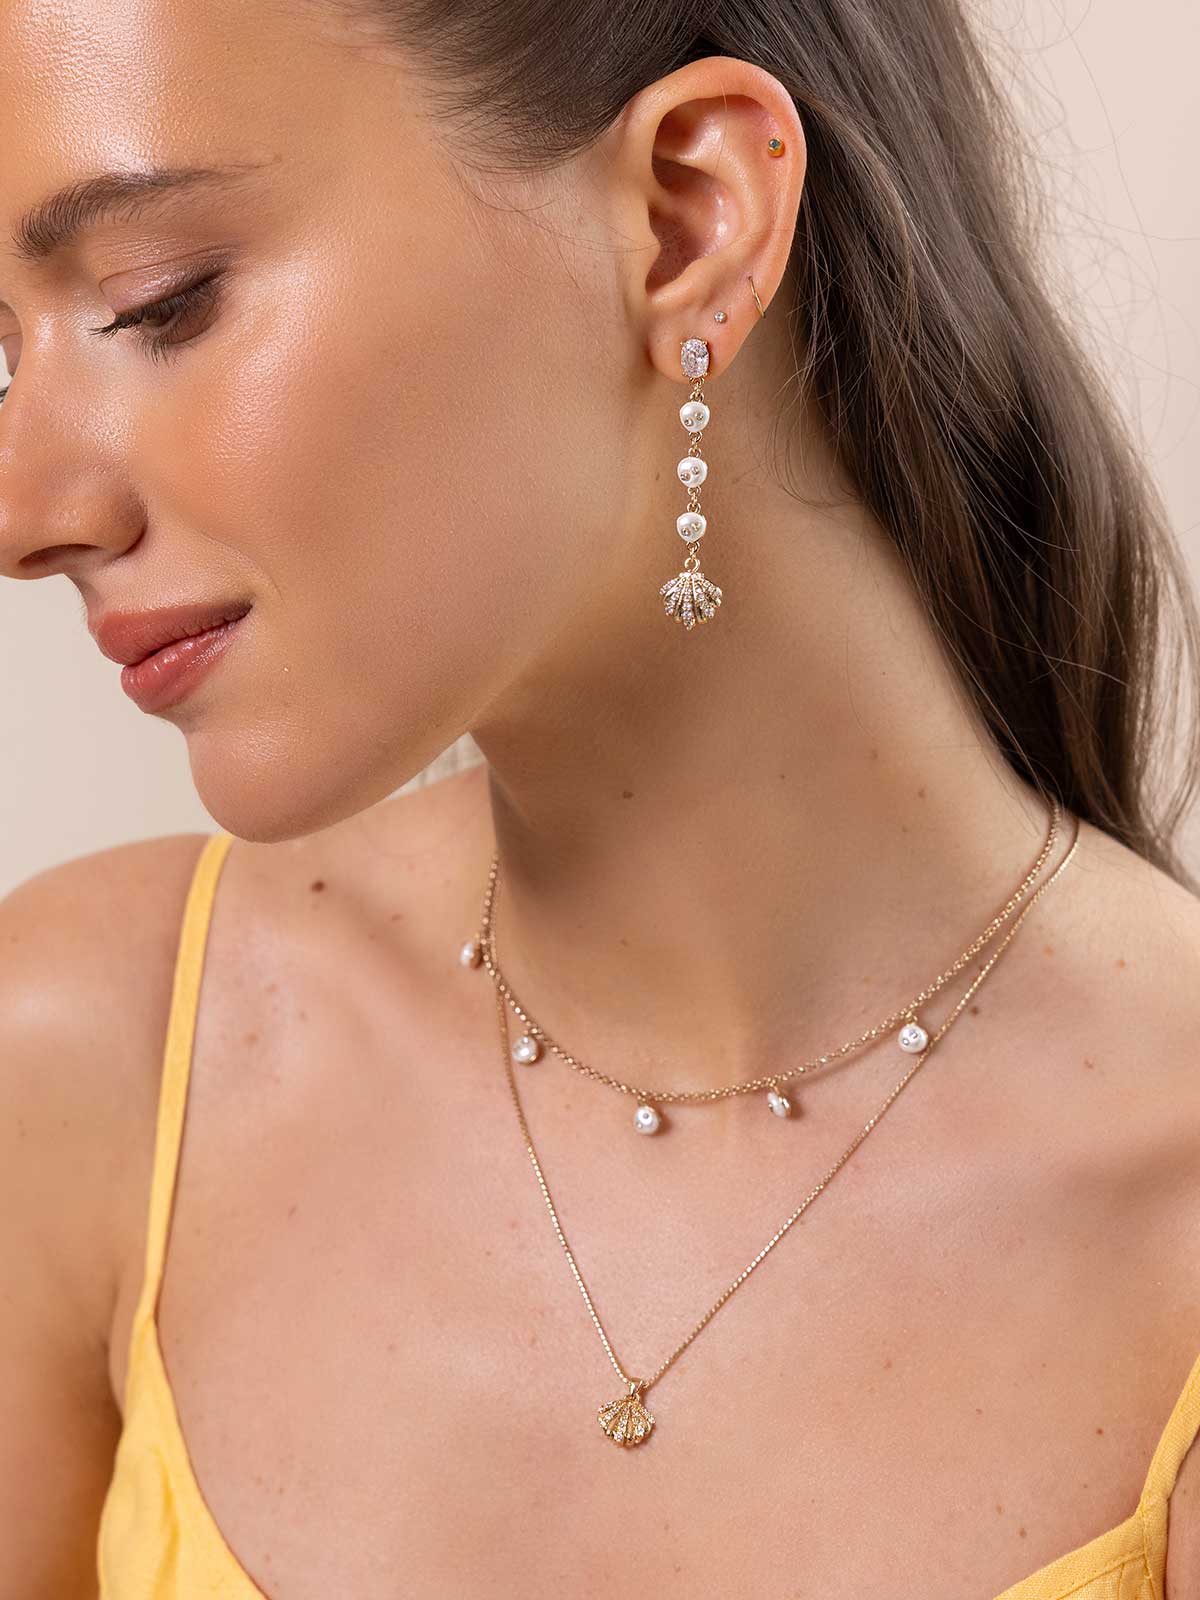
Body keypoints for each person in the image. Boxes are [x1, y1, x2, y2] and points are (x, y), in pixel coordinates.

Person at [1, 0, 1199, 1595]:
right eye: (0, 355)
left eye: (160, 302)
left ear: (689, 219)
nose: (28, 513)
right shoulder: (86, 1069)